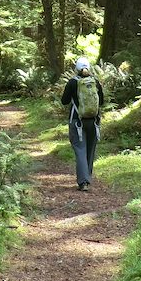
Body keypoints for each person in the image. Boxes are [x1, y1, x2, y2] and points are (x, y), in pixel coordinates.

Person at [60, 57, 105, 191]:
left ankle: (83, 182)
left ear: (76, 68)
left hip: (77, 121)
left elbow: (64, 101)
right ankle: (87, 178)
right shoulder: (95, 82)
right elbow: (101, 101)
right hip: (93, 121)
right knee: (90, 150)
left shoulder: (73, 82)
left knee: (80, 149)